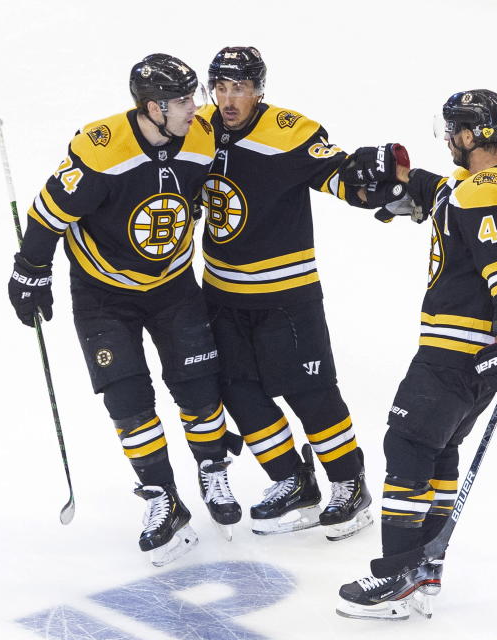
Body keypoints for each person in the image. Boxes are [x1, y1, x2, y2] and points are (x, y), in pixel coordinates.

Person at [7, 53, 243, 567]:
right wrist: (30, 270)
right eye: (183, 101)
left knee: (198, 386)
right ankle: (162, 498)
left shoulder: (202, 137)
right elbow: (47, 214)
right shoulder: (101, 152)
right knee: (128, 398)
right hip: (102, 294)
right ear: (153, 107)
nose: (195, 108)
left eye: (193, 97)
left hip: (173, 285)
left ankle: (211, 467)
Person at [335, 89, 497, 619]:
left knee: (406, 444)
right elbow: (441, 191)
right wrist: (404, 179)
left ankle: (398, 577)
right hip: (463, 355)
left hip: (455, 352)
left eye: (453, 130)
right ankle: (425, 568)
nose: (448, 138)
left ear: (472, 135)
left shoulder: (488, 192)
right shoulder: (475, 187)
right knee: (438, 451)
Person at [196, 46, 407, 540]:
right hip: (223, 295)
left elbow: (337, 175)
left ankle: (349, 484)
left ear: (260, 91)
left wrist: (373, 186)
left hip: (287, 297)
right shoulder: (198, 128)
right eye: (221, 88)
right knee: (236, 389)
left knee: (309, 391)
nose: (229, 100)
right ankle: (292, 480)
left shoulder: (290, 130)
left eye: (240, 89)